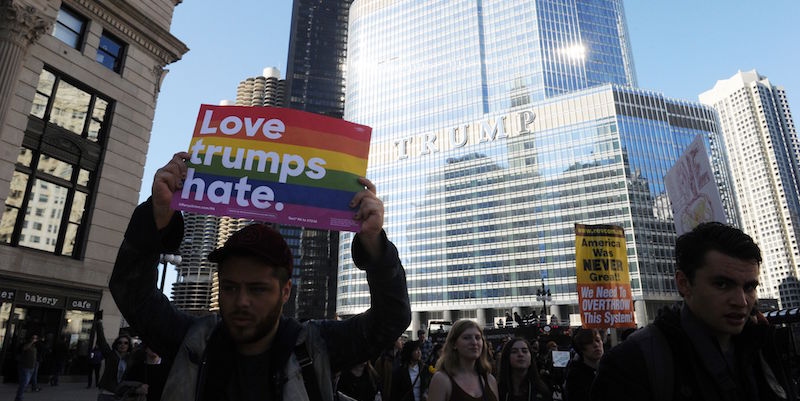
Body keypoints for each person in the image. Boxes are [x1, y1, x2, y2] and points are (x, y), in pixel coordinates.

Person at [109, 152, 411, 400]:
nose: (241, 301)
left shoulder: (316, 346)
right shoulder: (192, 341)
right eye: (229, 287)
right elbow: (131, 290)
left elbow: (391, 319)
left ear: (285, 291)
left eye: (257, 289)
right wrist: (156, 215)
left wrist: (375, 245)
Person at [591, 222, 797, 401]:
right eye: (722, 284)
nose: (741, 301)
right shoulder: (631, 364)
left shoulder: (767, 347)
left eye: (749, 287)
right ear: (684, 284)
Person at [427, 319, 499, 401]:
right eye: (466, 338)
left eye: (478, 337)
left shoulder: (490, 379)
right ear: (454, 344)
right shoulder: (441, 380)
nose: (474, 342)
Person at [95, 321, 142, 399]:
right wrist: (99, 324)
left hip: (122, 395)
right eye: (120, 343)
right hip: (107, 393)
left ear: (129, 345)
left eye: (125, 343)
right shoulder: (110, 355)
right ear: (116, 344)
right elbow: (101, 341)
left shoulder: (131, 358)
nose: (122, 345)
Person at [564, 329, 602, 401]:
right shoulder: (575, 378)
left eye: (598, 340)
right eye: (589, 342)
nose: (596, 345)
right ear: (580, 348)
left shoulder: (610, 369)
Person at [15, 334, 38, 401]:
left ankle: (19, 397)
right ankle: (19, 398)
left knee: (25, 383)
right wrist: (31, 342)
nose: (35, 339)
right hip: (25, 367)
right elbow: (24, 348)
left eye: (36, 338)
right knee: (24, 383)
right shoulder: (25, 344)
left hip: (31, 367)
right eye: (33, 338)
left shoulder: (34, 346)